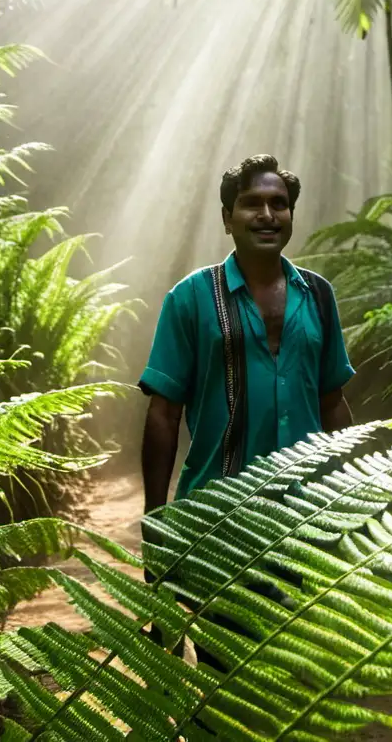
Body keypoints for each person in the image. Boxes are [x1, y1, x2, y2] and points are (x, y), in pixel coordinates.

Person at [139, 154, 355, 516]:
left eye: (279, 205)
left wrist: (348, 495)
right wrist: (154, 517)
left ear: (290, 217)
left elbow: (332, 403)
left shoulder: (318, 294)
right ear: (227, 219)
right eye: (252, 203)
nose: (267, 215)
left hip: (311, 514)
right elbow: (163, 414)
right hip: (213, 515)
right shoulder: (190, 297)